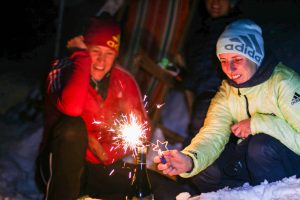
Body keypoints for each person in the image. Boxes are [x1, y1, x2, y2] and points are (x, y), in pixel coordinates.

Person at [37, 14, 194, 199]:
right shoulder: (61, 70)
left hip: (100, 168)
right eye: (95, 51)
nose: (101, 61)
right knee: (73, 128)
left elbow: (142, 130)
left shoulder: (123, 79)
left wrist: (109, 153)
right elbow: (72, 108)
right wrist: (82, 59)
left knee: (162, 187)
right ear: (84, 48)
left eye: (109, 54)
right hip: (58, 169)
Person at [154, 19, 300, 193]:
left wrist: (258, 123)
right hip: (255, 165)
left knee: (260, 147)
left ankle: (279, 195)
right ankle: (241, 196)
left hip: (289, 166)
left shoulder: (285, 83)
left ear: (255, 55)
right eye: (223, 60)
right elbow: (213, 133)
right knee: (204, 169)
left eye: (237, 59)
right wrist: (190, 160)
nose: (229, 68)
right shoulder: (228, 91)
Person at [182, 0, 242, 146]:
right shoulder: (200, 33)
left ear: (232, 3)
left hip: (222, 94)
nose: (215, 2)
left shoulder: (235, 30)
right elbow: (192, 73)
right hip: (199, 94)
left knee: (201, 132)